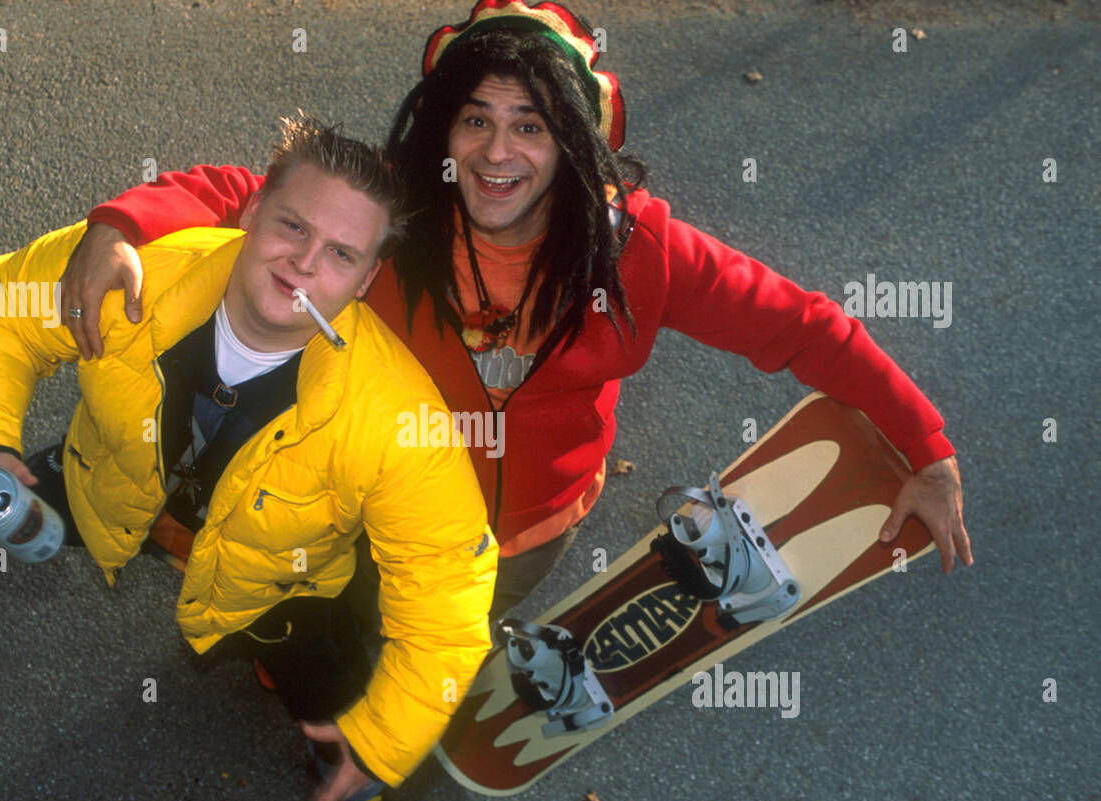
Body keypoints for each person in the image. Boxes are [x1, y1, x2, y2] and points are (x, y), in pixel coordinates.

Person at [59, 0, 972, 618]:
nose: (499, 153)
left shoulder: (640, 252)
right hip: (365, 510)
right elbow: (241, 193)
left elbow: (803, 327)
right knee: (316, 628)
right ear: (443, 129)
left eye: (532, 124)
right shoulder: (397, 215)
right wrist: (123, 222)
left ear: (576, 140)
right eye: (476, 119)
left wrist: (924, 444)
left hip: (525, 539)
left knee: (420, 640)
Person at [0, 115, 498, 801]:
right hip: (110, 481)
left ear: (367, 278)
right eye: (292, 226)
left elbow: (447, 598)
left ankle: (346, 766)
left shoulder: (398, 418)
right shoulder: (139, 273)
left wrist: (383, 740)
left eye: (341, 253)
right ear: (251, 211)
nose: (304, 264)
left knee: (328, 686)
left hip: (282, 585)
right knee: (9, 482)